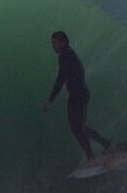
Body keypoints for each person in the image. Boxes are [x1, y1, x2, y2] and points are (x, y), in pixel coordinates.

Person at [44, 30, 112, 162]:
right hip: (81, 93)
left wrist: (50, 99)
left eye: (55, 42)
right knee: (80, 128)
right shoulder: (70, 53)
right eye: (52, 43)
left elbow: (60, 79)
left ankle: (91, 157)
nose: (53, 45)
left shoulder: (65, 56)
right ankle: (106, 144)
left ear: (63, 42)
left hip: (77, 96)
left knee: (77, 129)